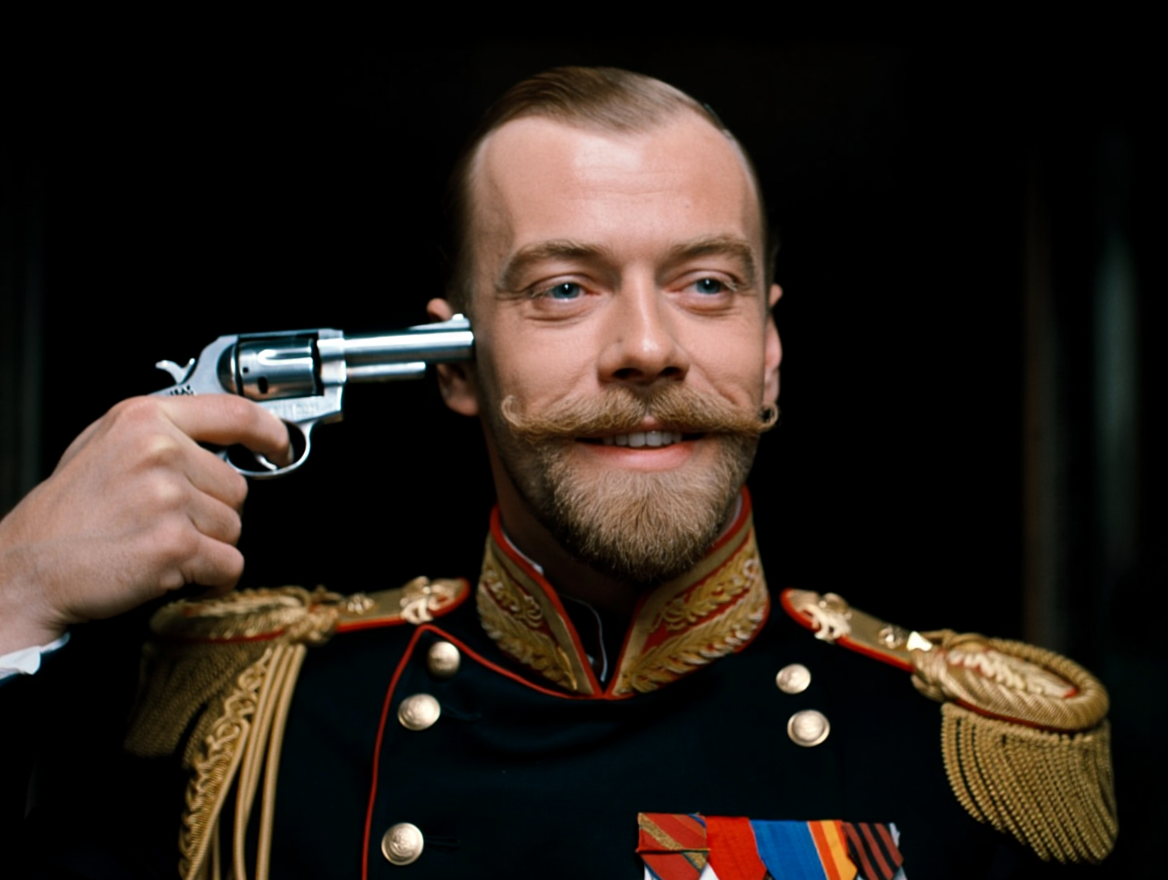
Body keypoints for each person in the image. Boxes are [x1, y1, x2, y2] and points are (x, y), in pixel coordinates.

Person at [0, 67, 1114, 878]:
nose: (647, 348)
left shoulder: (972, 755)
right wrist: (14, 592)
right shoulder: (253, 722)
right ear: (454, 365)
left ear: (770, 352)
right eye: (564, 290)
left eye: (707, 284)